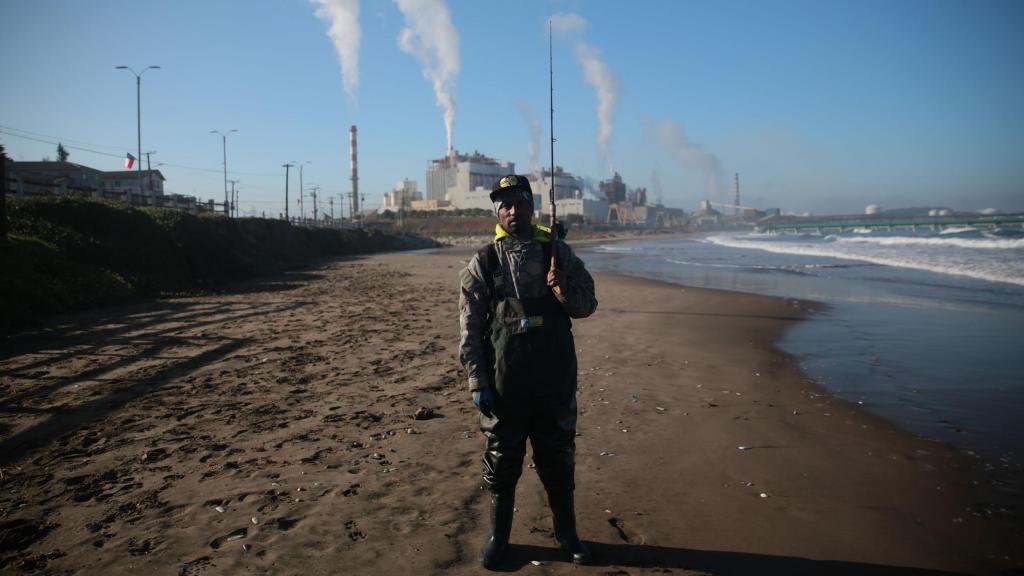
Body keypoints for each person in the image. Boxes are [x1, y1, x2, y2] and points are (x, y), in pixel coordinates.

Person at [458, 174, 598, 569]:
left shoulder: (558, 252)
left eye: (519, 203)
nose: (512, 211)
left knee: (558, 460)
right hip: (505, 387)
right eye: (504, 205)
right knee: (502, 462)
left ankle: (567, 534)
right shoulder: (484, 261)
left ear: (531, 207)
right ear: (498, 212)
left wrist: (562, 289)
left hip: (554, 382)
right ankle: (498, 537)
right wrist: (477, 380)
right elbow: (468, 327)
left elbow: (588, 305)